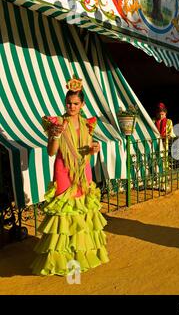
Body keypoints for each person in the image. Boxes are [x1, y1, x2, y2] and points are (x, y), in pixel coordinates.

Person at [31, 75, 109, 276]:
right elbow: (51, 151)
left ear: (82, 104)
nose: (71, 106)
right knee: (64, 213)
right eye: (68, 103)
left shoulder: (88, 124)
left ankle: (78, 257)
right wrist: (55, 135)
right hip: (63, 169)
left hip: (83, 171)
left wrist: (94, 149)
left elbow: (88, 152)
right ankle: (61, 260)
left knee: (81, 212)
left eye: (75, 103)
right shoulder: (57, 122)